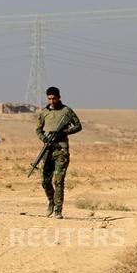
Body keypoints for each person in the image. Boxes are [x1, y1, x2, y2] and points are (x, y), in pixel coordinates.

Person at [35, 86, 82, 219]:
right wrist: (44, 138)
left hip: (61, 150)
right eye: (49, 99)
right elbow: (38, 129)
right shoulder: (44, 112)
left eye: (54, 98)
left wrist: (64, 132)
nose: (52, 101)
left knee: (59, 181)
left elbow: (78, 126)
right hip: (47, 149)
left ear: (59, 97)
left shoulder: (66, 111)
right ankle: (51, 201)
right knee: (45, 180)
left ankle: (57, 210)